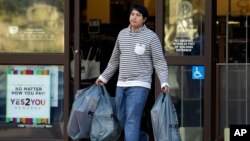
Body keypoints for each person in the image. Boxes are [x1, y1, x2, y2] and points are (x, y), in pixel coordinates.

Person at [95, 4, 169, 141]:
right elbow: (114, 60)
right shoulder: (122, 34)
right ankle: (142, 137)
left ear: (144, 19)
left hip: (140, 85)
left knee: (132, 120)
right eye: (132, 14)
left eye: (138, 15)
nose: (134, 17)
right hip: (121, 84)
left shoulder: (151, 37)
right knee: (121, 117)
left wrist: (164, 81)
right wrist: (103, 77)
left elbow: (159, 62)